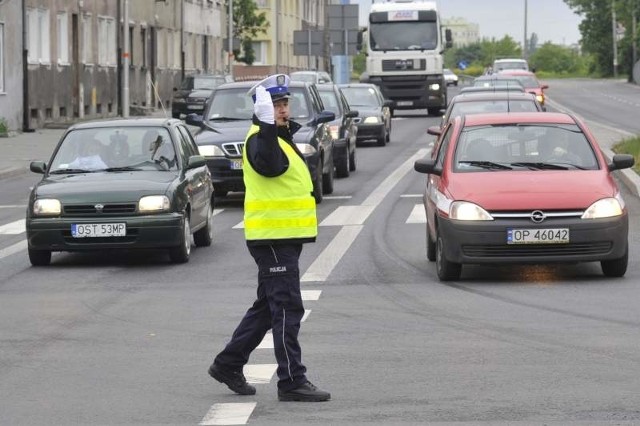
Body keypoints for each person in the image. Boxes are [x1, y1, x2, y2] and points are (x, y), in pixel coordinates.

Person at [208, 74, 331, 402]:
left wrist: (274, 129)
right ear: (262, 109)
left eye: (285, 103)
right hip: (272, 238)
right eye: (275, 104)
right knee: (288, 306)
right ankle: (291, 380)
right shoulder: (259, 140)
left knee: (267, 307)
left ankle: (228, 363)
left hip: (283, 236)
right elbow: (271, 167)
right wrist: (265, 126)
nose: (282, 109)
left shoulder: (278, 136)